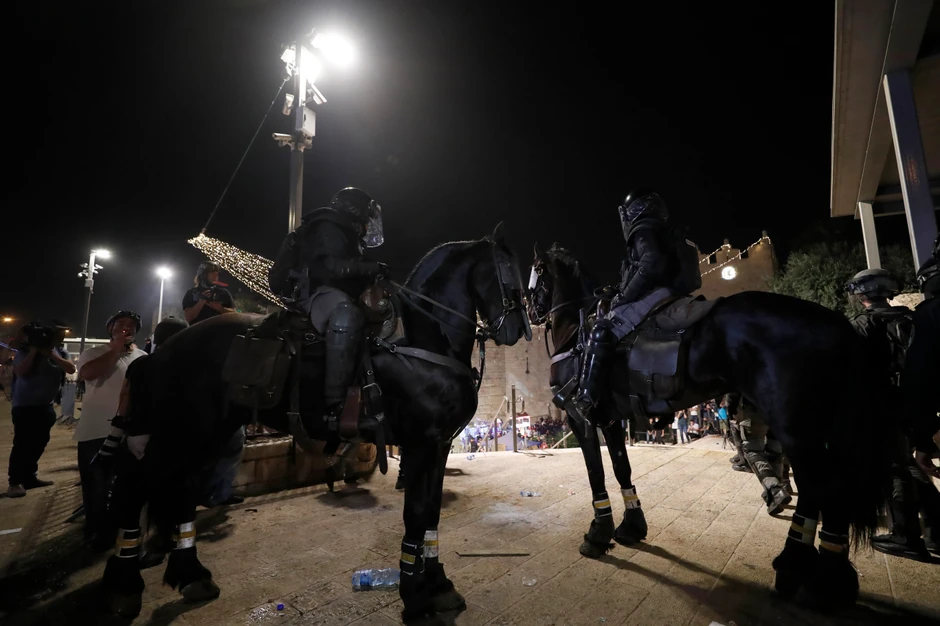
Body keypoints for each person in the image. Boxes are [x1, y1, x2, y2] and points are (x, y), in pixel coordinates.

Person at [570, 190, 699, 424]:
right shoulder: (662, 230)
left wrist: (623, 297)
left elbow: (651, 264)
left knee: (602, 330)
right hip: (671, 291)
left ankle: (587, 398)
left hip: (659, 293)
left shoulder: (643, 230)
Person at [268, 187, 388, 421]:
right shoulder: (328, 224)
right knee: (347, 315)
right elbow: (332, 268)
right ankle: (336, 406)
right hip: (314, 292)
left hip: (334, 291)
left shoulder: (345, 232)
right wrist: (372, 268)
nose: (368, 224)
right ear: (354, 209)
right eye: (367, 216)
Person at [845, 268, 933, 561]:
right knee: (909, 463)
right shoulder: (910, 319)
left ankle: (907, 537)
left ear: (861, 293)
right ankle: (935, 529)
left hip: (882, 406)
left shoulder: (862, 324)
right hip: (915, 402)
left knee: (896, 468)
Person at [76, 311, 147, 550]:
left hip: (130, 433)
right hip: (95, 432)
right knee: (97, 486)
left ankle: (121, 528)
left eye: (132, 325)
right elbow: (87, 374)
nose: (127, 327)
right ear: (110, 328)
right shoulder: (93, 353)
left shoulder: (142, 357)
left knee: (126, 486)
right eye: (121, 324)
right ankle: (96, 532)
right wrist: (115, 348)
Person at [6, 322, 74, 497]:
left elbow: (70, 368)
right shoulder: (26, 351)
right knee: (22, 445)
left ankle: (30, 477)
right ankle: (15, 482)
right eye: (57, 334)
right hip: (24, 406)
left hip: (46, 406)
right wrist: (35, 351)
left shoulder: (61, 352)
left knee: (39, 443)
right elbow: (21, 372)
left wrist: (51, 354)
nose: (60, 337)